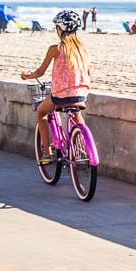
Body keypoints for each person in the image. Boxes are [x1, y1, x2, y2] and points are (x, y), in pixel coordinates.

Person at [20, 10, 92, 163]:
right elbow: (88, 71)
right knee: (76, 114)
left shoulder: (56, 49)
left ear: (60, 29)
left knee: (41, 112)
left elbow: (40, 72)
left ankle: (48, 153)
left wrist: (27, 75)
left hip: (60, 96)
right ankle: (85, 147)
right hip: (81, 94)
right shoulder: (83, 49)